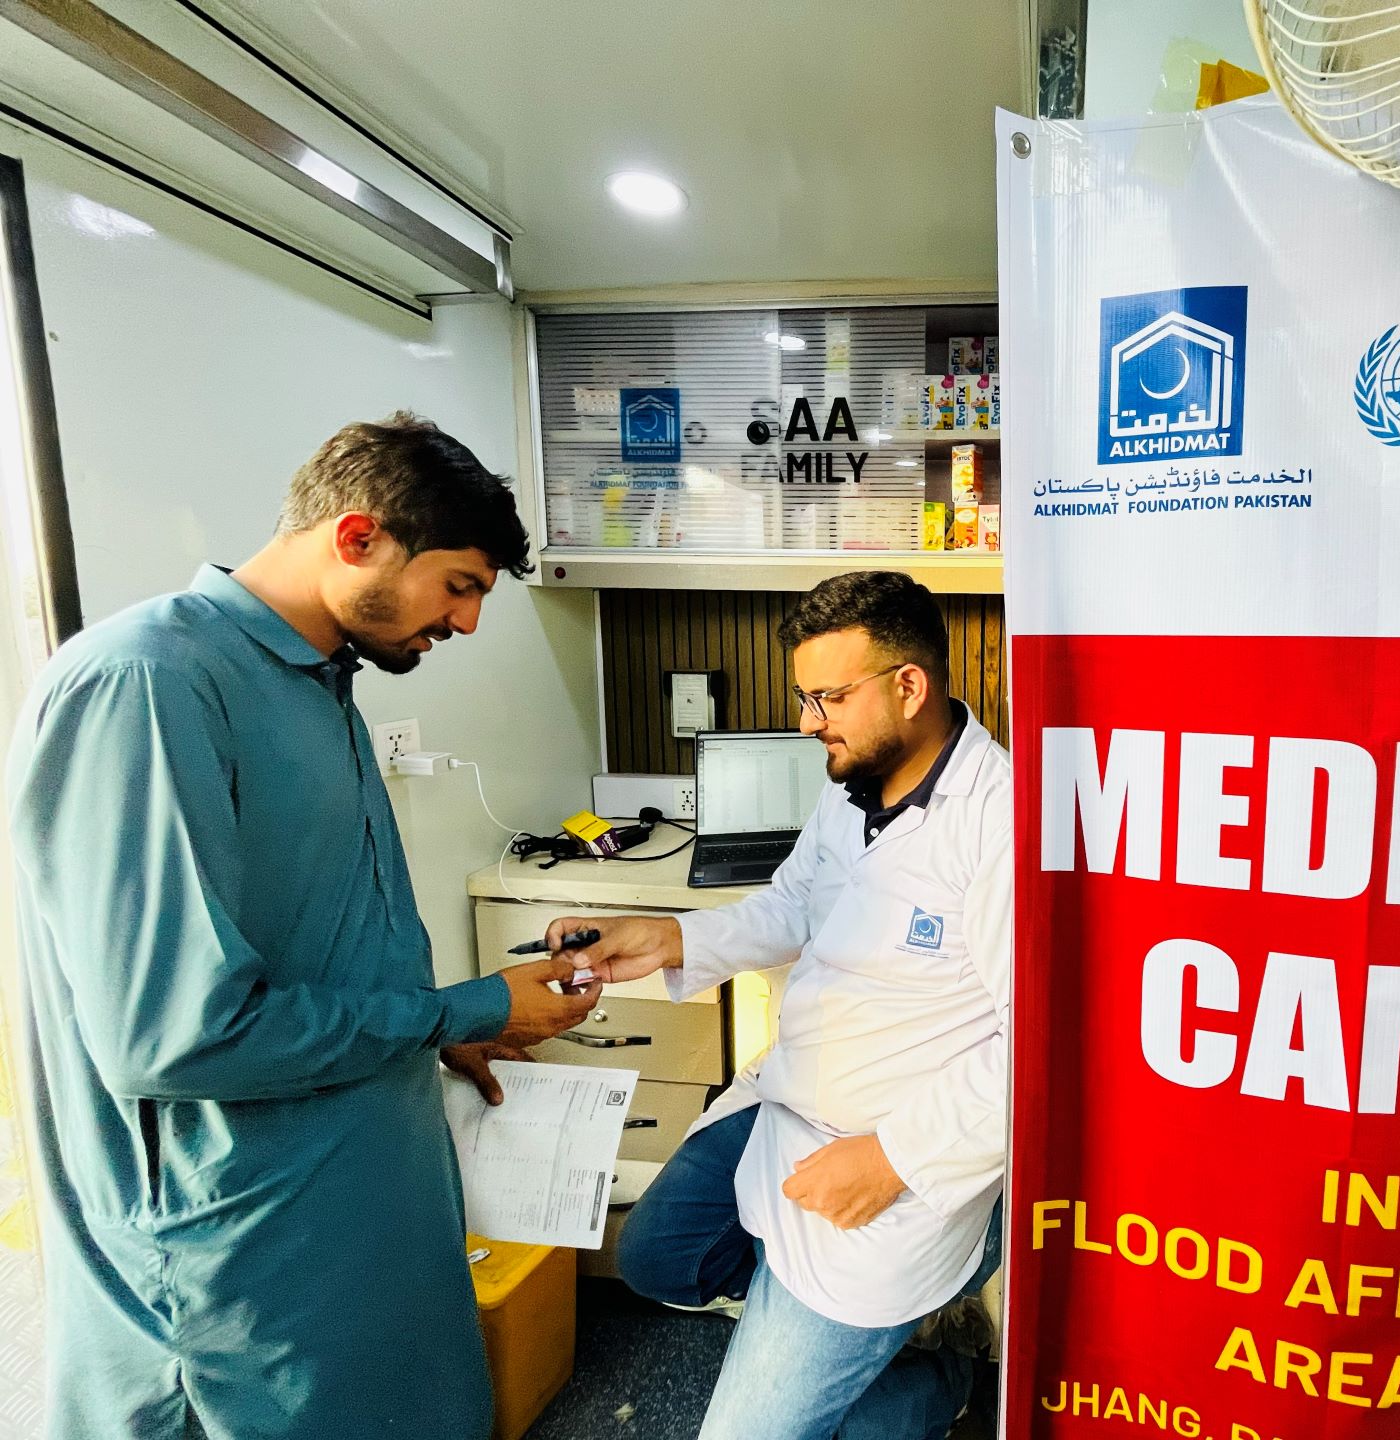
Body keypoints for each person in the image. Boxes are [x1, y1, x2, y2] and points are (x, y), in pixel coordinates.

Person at [6, 413, 603, 1440]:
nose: (465, 624)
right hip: (242, 1266)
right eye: (458, 585)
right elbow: (175, 1035)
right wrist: (452, 1005)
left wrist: (446, 1028)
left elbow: (313, 939)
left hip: (359, 1210)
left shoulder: (321, 685)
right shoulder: (149, 684)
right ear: (359, 536)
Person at [547, 570, 1010, 1440]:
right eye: (805, 697)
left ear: (909, 686)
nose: (807, 723)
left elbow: (1037, 1048)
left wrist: (892, 1157)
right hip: (787, 1104)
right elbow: (793, 905)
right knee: (653, 1260)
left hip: (889, 1159)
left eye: (828, 697)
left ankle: (936, 1378)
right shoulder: (850, 789)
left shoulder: (1000, 825)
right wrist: (666, 939)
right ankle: (806, 1330)